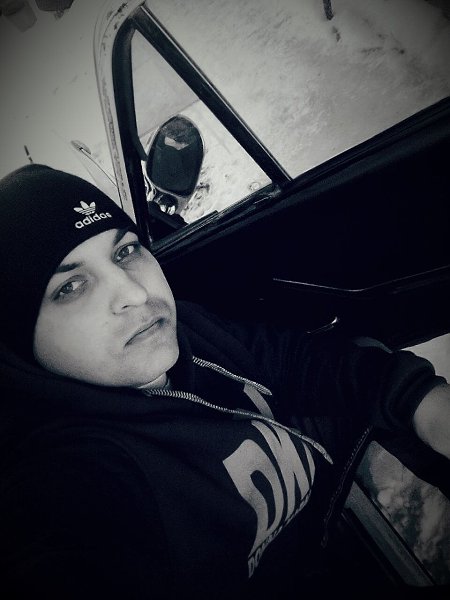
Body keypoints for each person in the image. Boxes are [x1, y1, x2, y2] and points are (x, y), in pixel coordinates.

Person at [0, 164, 448, 599]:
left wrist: (419, 398)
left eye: (126, 251)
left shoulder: (189, 329)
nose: (135, 293)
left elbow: (293, 360)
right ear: (18, 341)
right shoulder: (72, 484)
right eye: (71, 287)